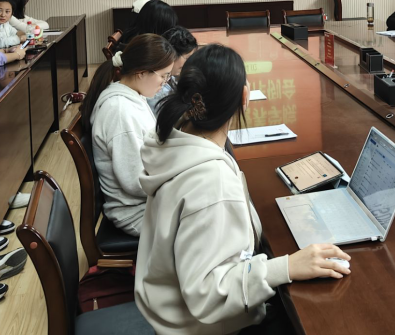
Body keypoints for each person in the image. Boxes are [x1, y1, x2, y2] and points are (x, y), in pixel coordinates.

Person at [135, 43, 350, 334]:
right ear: (244, 97)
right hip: (200, 326)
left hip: (169, 307)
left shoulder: (174, 141)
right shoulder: (211, 180)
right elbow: (207, 295)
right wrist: (286, 267)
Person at [80, 34, 176, 237]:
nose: (165, 83)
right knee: (208, 216)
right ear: (141, 73)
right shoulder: (119, 111)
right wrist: (177, 176)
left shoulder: (132, 96)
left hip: (147, 201)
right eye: (164, 76)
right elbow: (136, 183)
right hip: (136, 213)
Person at [146, 26, 199, 112]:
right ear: (172, 54)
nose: (189, 63)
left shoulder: (172, 77)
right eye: (187, 58)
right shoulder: (155, 86)